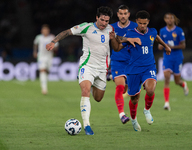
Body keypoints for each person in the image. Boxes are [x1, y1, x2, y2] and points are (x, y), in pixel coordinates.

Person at [46, 6, 140, 135]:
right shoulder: (86, 27)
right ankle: (87, 125)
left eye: (106, 21)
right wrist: (53, 41)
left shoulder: (110, 29)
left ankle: (89, 84)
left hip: (102, 69)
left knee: (98, 98)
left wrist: (118, 39)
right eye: (102, 20)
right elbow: (68, 32)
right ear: (97, 17)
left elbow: (117, 48)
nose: (104, 23)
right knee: (85, 91)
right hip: (87, 66)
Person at [110, 10, 171, 131]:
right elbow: (117, 47)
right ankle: (133, 119)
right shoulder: (130, 33)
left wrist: (166, 45)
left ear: (148, 22)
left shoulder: (152, 31)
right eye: (140, 23)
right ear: (136, 21)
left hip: (149, 67)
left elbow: (156, 37)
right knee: (134, 98)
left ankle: (147, 110)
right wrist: (114, 39)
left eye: (145, 23)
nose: (143, 26)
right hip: (133, 70)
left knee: (150, 90)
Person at [109, 5, 138, 124]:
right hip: (117, 61)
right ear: (117, 14)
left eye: (125, 13)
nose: (123, 16)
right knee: (120, 87)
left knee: (133, 94)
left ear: (129, 14)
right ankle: (122, 114)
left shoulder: (136, 27)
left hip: (132, 63)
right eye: (121, 14)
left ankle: (134, 117)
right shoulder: (111, 28)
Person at [158, 13, 189, 111]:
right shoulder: (162, 31)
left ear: (174, 19)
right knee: (167, 79)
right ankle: (166, 103)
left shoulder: (179, 30)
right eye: (167, 18)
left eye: (171, 18)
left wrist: (171, 47)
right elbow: (159, 46)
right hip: (167, 58)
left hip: (177, 58)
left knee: (176, 81)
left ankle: (183, 84)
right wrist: (162, 46)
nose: (169, 20)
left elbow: (183, 45)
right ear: (165, 19)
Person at [33, 24, 58, 95]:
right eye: (44, 30)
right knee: (42, 70)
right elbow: (35, 44)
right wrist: (35, 52)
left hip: (49, 57)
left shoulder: (52, 37)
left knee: (46, 71)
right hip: (41, 56)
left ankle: (44, 85)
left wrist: (52, 48)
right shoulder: (38, 37)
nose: (45, 31)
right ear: (42, 31)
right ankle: (44, 89)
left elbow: (56, 47)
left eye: (46, 30)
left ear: (48, 30)